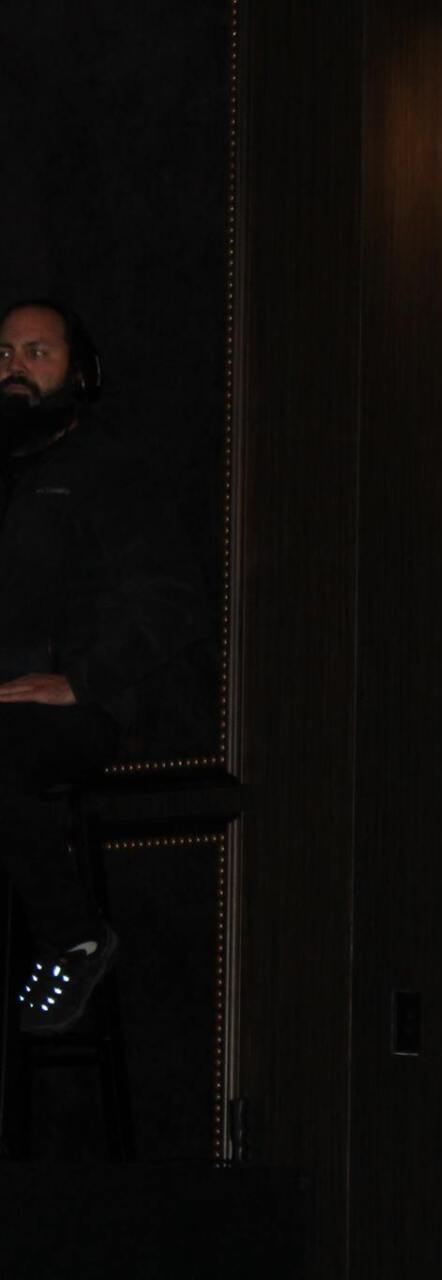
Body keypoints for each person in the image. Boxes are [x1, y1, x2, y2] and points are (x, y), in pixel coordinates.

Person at [1, 298, 209, 1035]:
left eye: (36, 352)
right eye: (3, 354)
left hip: (77, 710)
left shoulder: (107, 469)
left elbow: (177, 602)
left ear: (78, 370)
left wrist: (82, 679)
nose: (14, 367)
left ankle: (75, 937)